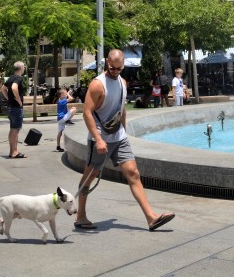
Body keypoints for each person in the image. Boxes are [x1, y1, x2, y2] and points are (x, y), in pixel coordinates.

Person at [72, 49, 175, 233]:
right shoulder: (97, 84)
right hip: (100, 139)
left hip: (119, 137)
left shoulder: (123, 82)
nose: (115, 71)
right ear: (107, 62)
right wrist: (98, 139)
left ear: (123, 65)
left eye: (119, 68)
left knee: (133, 173)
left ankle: (151, 218)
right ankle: (80, 215)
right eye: (112, 68)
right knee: (89, 176)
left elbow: (122, 109)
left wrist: (124, 133)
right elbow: (87, 112)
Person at [1, 61, 26, 158]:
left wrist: (8, 98)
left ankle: (12, 152)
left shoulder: (11, 77)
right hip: (16, 108)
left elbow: (3, 89)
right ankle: (15, 152)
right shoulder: (18, 78)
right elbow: (14, 88)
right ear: (21, 68)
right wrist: (18, 100)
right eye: (24, 67)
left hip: (10, 107)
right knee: (15, 130)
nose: (24, 69)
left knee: (12, 130)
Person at [55, 87, 76, 152]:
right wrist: (68, 94)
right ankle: (68, 120)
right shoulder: (63, 101)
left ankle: (58, 146)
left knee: (60, 133)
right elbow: (71, 98)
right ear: (61, 95)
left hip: (59, 119)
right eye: (65, 93)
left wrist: (67, 93)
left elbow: (66, 97)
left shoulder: (59, 100)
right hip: (63, 118)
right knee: (74, 109)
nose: (66, 94)